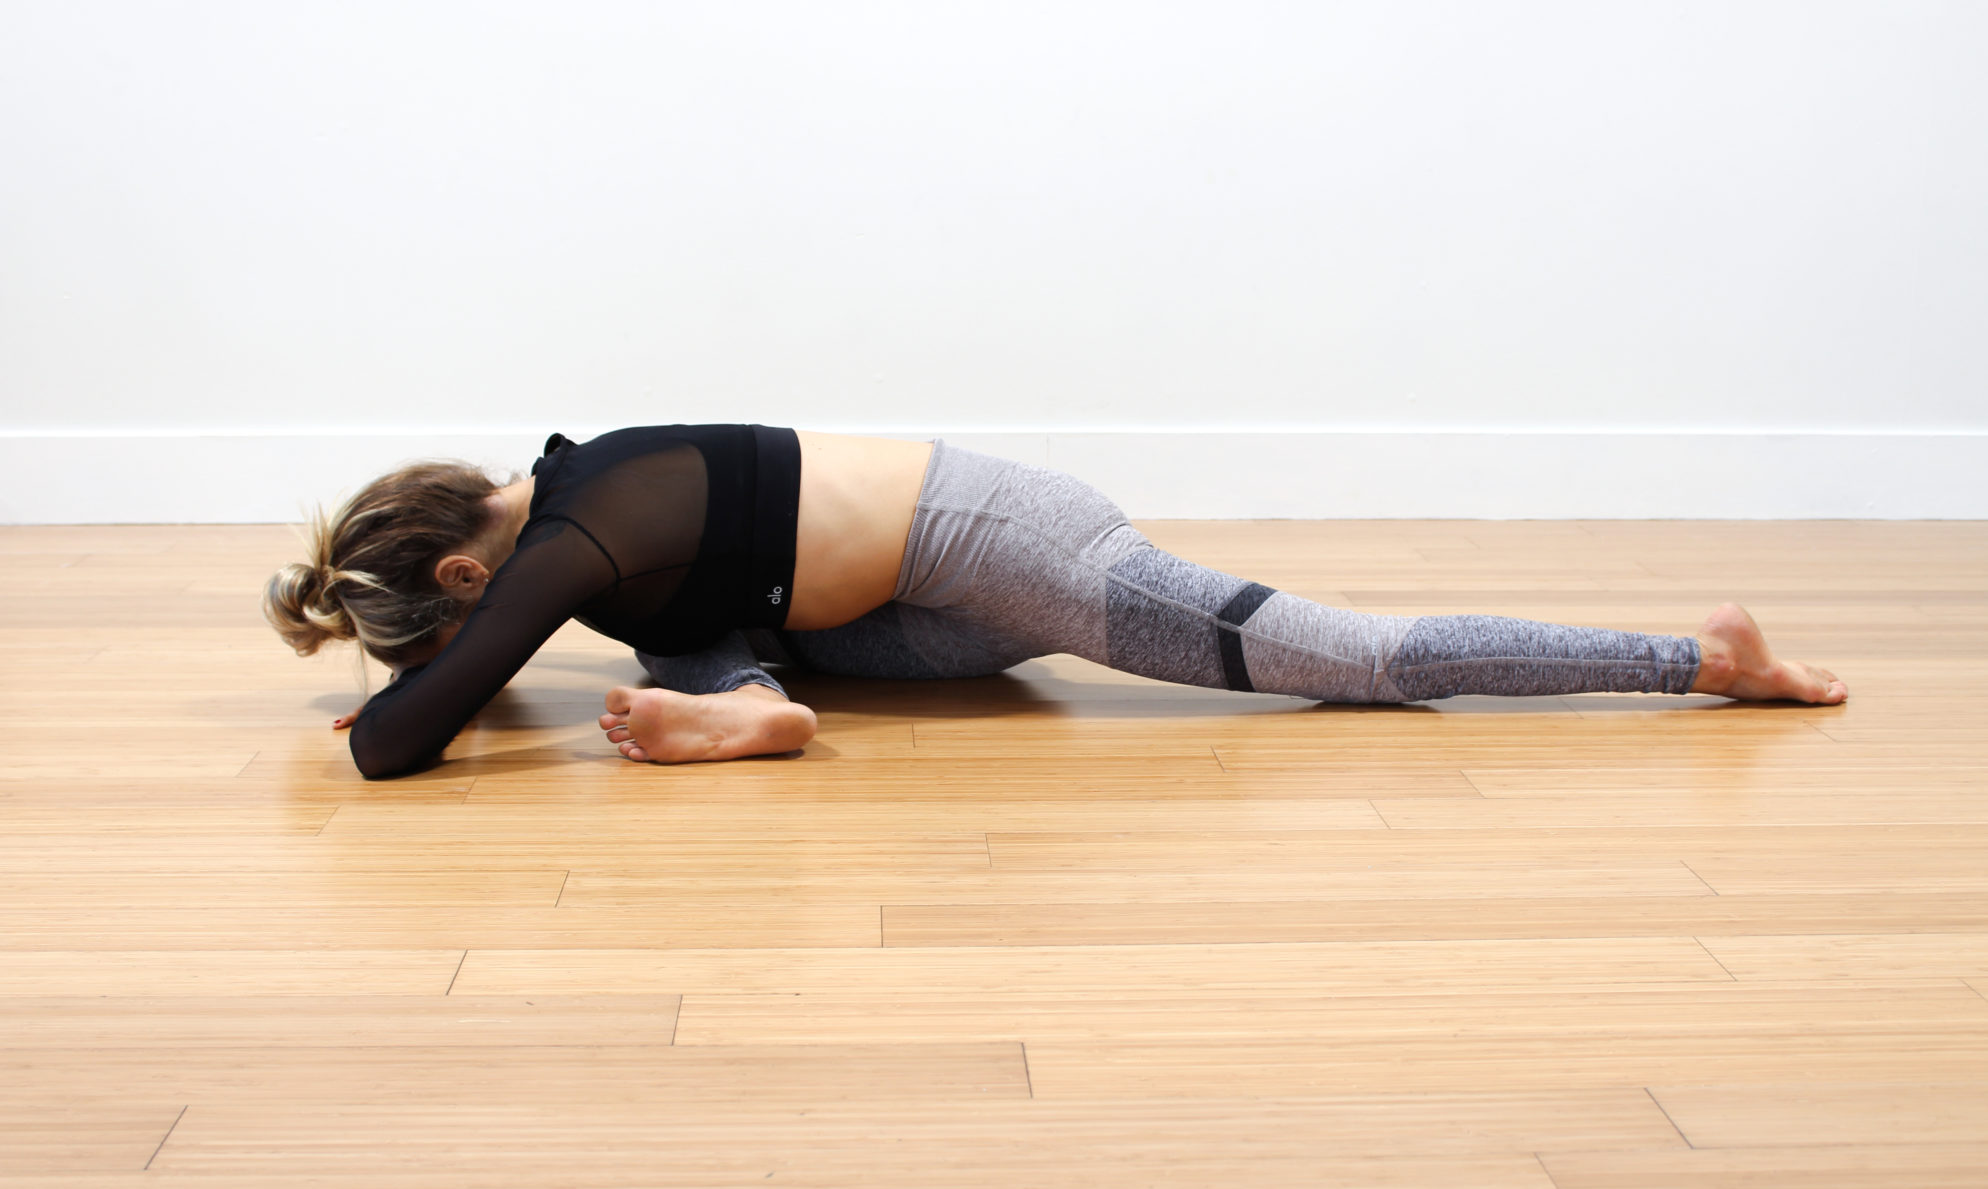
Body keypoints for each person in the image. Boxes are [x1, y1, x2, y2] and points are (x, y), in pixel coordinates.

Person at [263, 425, 1849, 779]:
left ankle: (1698, 652)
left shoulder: (579, 526)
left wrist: (423, 696)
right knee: (687, 636)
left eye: (459, 628)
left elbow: (394, 752)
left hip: (1006, 548)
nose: (483, 643)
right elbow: (431, 704)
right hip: (890, 611)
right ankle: (751, 704)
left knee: (1349, 660)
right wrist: (425, 679)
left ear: (468, 573)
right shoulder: (586, 527)